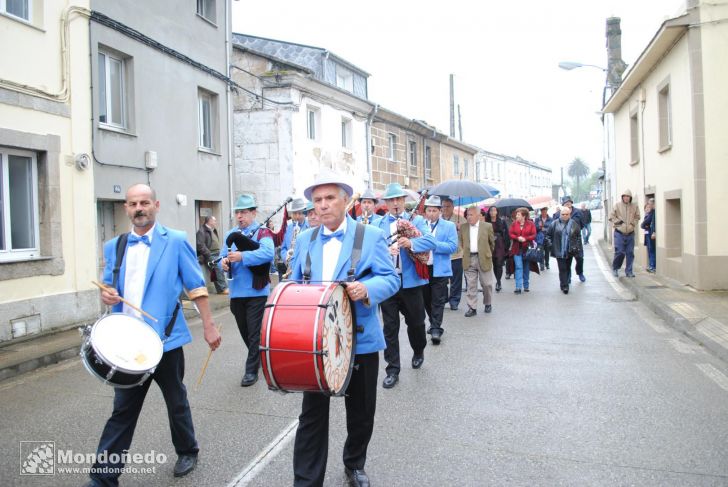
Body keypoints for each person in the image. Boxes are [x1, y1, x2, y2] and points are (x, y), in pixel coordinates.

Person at [88, 184, 221, 486]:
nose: (139, 208)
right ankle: (102, 478)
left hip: (165, 342)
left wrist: (210, 325)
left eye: (144, 202)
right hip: (127, 344)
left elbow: (196, 286)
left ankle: (188, 450)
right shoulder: (115, 246)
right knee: (122, 411)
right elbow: (110, 287)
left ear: (156, 205)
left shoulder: (175, 241)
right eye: (133, 203)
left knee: (176, 401)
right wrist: (108, 295)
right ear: (126, 208)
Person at [287, 169, 399, 487]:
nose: (322, 206)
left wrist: (367, 289)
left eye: (329, 198)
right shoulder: (305, 239)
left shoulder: (370, 236)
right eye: (317, 200)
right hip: (315, 342)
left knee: (361, 412)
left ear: (346, 201)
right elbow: (296, 283)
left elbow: (391, 278)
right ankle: (307, 480)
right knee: (311, 414)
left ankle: (354, 463)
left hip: (359, 339)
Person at [374, 182, 436, 389]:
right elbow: (370, 249)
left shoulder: (417, 220)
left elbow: (430, 242)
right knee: (390, 328)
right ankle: (392, 369)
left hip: (411, 282)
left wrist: (412, 244)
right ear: (386, 203)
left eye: (398, 199)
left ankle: (418, 350)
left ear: (403, 200)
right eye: (391, 200)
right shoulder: (378, 224)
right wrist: (384, 250)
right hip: (388, 283)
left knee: (416, 323)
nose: (395, 204)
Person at [220, 194, 275, 387]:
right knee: (245, 332)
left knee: (253, 333)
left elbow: (268, 253)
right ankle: (258, 357)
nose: (240, 216)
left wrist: (242, 256)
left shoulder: (263, 233)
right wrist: (224, 264)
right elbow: (221, 257)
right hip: (236, 291)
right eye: (237, 212)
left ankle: (251, 371)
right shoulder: (230, 233)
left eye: (244, 212)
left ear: (253, 213)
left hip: (256, 292)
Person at [422, 196, 458, 344]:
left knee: (438, 300)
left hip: (440, 269)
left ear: (440, 211)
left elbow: (452, 247)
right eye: (429, 210)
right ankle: (433, 321)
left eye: (434, 210)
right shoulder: (420, 224)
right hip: (423, 269)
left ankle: (436, 328)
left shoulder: (448, 226)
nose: (431, 213)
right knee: (426, 300)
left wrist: (434, 244)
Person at [460, 206, 495, 316]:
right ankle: (472, 307)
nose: (468, 217)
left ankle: (488, 303)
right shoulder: (463, 227)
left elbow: (491, 243)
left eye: (471, 215)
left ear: (478, 215)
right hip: (469, 258)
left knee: (487, 284)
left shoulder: (487, 226)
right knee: (471, 285)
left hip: (484, 257)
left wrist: (487, 253)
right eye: (467, 215)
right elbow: (461, 242)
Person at [546, 206, 583, 294]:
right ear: (560, 214)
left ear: (569, 215)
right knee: (562, 268)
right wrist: (551, 246)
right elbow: (548, 236)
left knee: (567, 267)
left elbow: (578, 237)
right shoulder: (554, 223)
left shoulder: (574, 223)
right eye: (563, 214)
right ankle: (565, 285)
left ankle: (564, 282)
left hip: (570, 250)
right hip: (559, 250)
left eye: (567, 214)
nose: (565, 216)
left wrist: (577, 248)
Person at [609, 189, 641, 277]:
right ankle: (616, 268)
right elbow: (611, 216)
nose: (626, 198)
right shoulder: (617, 205)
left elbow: (637, 216)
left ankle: (629, 271)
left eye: (628, 196)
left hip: (630, 233)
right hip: (619, 232)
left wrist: (632, 224)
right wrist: (619, 223)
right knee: (620, 252)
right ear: (622, 197)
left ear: (630, 198)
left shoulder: (634, 206)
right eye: (625, 196)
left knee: (630, 252)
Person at [441, 196, 464, 310]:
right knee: (442, 279)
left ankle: (454, 300)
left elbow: (466, 236)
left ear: (453, 207)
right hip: (442, 254)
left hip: (456, 254)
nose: (445, 208)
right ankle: (444, 298)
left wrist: (461, 229)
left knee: (456, 280)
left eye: (448, 206)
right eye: (443, 206)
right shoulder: (438, 219)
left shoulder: (460, 219)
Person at [195, 215, 228, 294]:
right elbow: (200, 245)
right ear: (209, 221)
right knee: (217, 267)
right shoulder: (202, 231)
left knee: (221, 266)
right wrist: (208, 254)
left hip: (217, 253)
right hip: (209, 254)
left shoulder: (212, 230)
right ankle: (222, 289)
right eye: (214, 220)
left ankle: (221, 288)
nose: (215, 222)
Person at [278, 198, 309, 278]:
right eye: (295, 213)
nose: (297, 216)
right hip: (291, 270)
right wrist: (287, 258)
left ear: (304, 213)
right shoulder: (288, 228)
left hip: (306, 271)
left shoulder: (310, 227)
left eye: (300, 213)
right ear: (291, 214)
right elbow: (283, 248)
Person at [509, 207, 536, 293]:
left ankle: (526, 285)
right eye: (516, 214)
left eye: (518, 214)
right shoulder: (514, 224)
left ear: (523, 216)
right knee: (518, 267)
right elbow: (510, 234)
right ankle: (518, 287)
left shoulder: (531, 224)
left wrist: (526, 238)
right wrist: (517, 238)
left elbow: (534, 234)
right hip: (517, 249)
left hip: (527, 249)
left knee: (526, 267)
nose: (516, 216)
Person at [561, 196, 586, 282]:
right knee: (567, 260)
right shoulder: (559, 214)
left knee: (580, 258)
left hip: (576, 239)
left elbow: (583, 224)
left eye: (569, 202)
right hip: (565, 240)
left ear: (571, 203)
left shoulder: (578, 212)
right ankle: (568, 277)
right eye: (565, 202)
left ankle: (580, 273)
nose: (568, 203)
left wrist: (575, 230)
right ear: (563, 204)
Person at [484, 206, 509, 291]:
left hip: (500, 244)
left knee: (499, 264)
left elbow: (506, 234)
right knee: (494, 264)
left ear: (497, 212)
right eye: (491, 210)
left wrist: (506, 246)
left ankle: (498, 282)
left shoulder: (502, 221)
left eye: (494, 210)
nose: (493, 212)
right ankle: (497, 280)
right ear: (489, 212)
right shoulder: (486, 222)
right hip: (489, 244)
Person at [641, 198, 656, 273]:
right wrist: (644, 225)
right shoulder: (648, 214)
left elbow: (644, 223)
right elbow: (643, 225)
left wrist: (645, 225)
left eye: (649, 205)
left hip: (650, 234)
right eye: (646, 207)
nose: (648, 207)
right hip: (648, 235)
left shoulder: (652, 213)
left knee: (651, 250)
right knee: (649, 250)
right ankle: (651, 265)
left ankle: (652, 266)